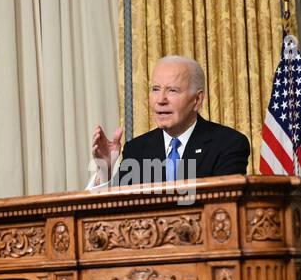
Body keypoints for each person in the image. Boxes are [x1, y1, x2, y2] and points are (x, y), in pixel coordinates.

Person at [87, 55, 250, 188]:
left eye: (172, 90)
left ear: (197, 100)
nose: (161, 100)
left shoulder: (228, 144)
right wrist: (105, 170)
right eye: (155, 89)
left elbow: (226, 209)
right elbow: (115, 213)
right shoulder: (137, 150)